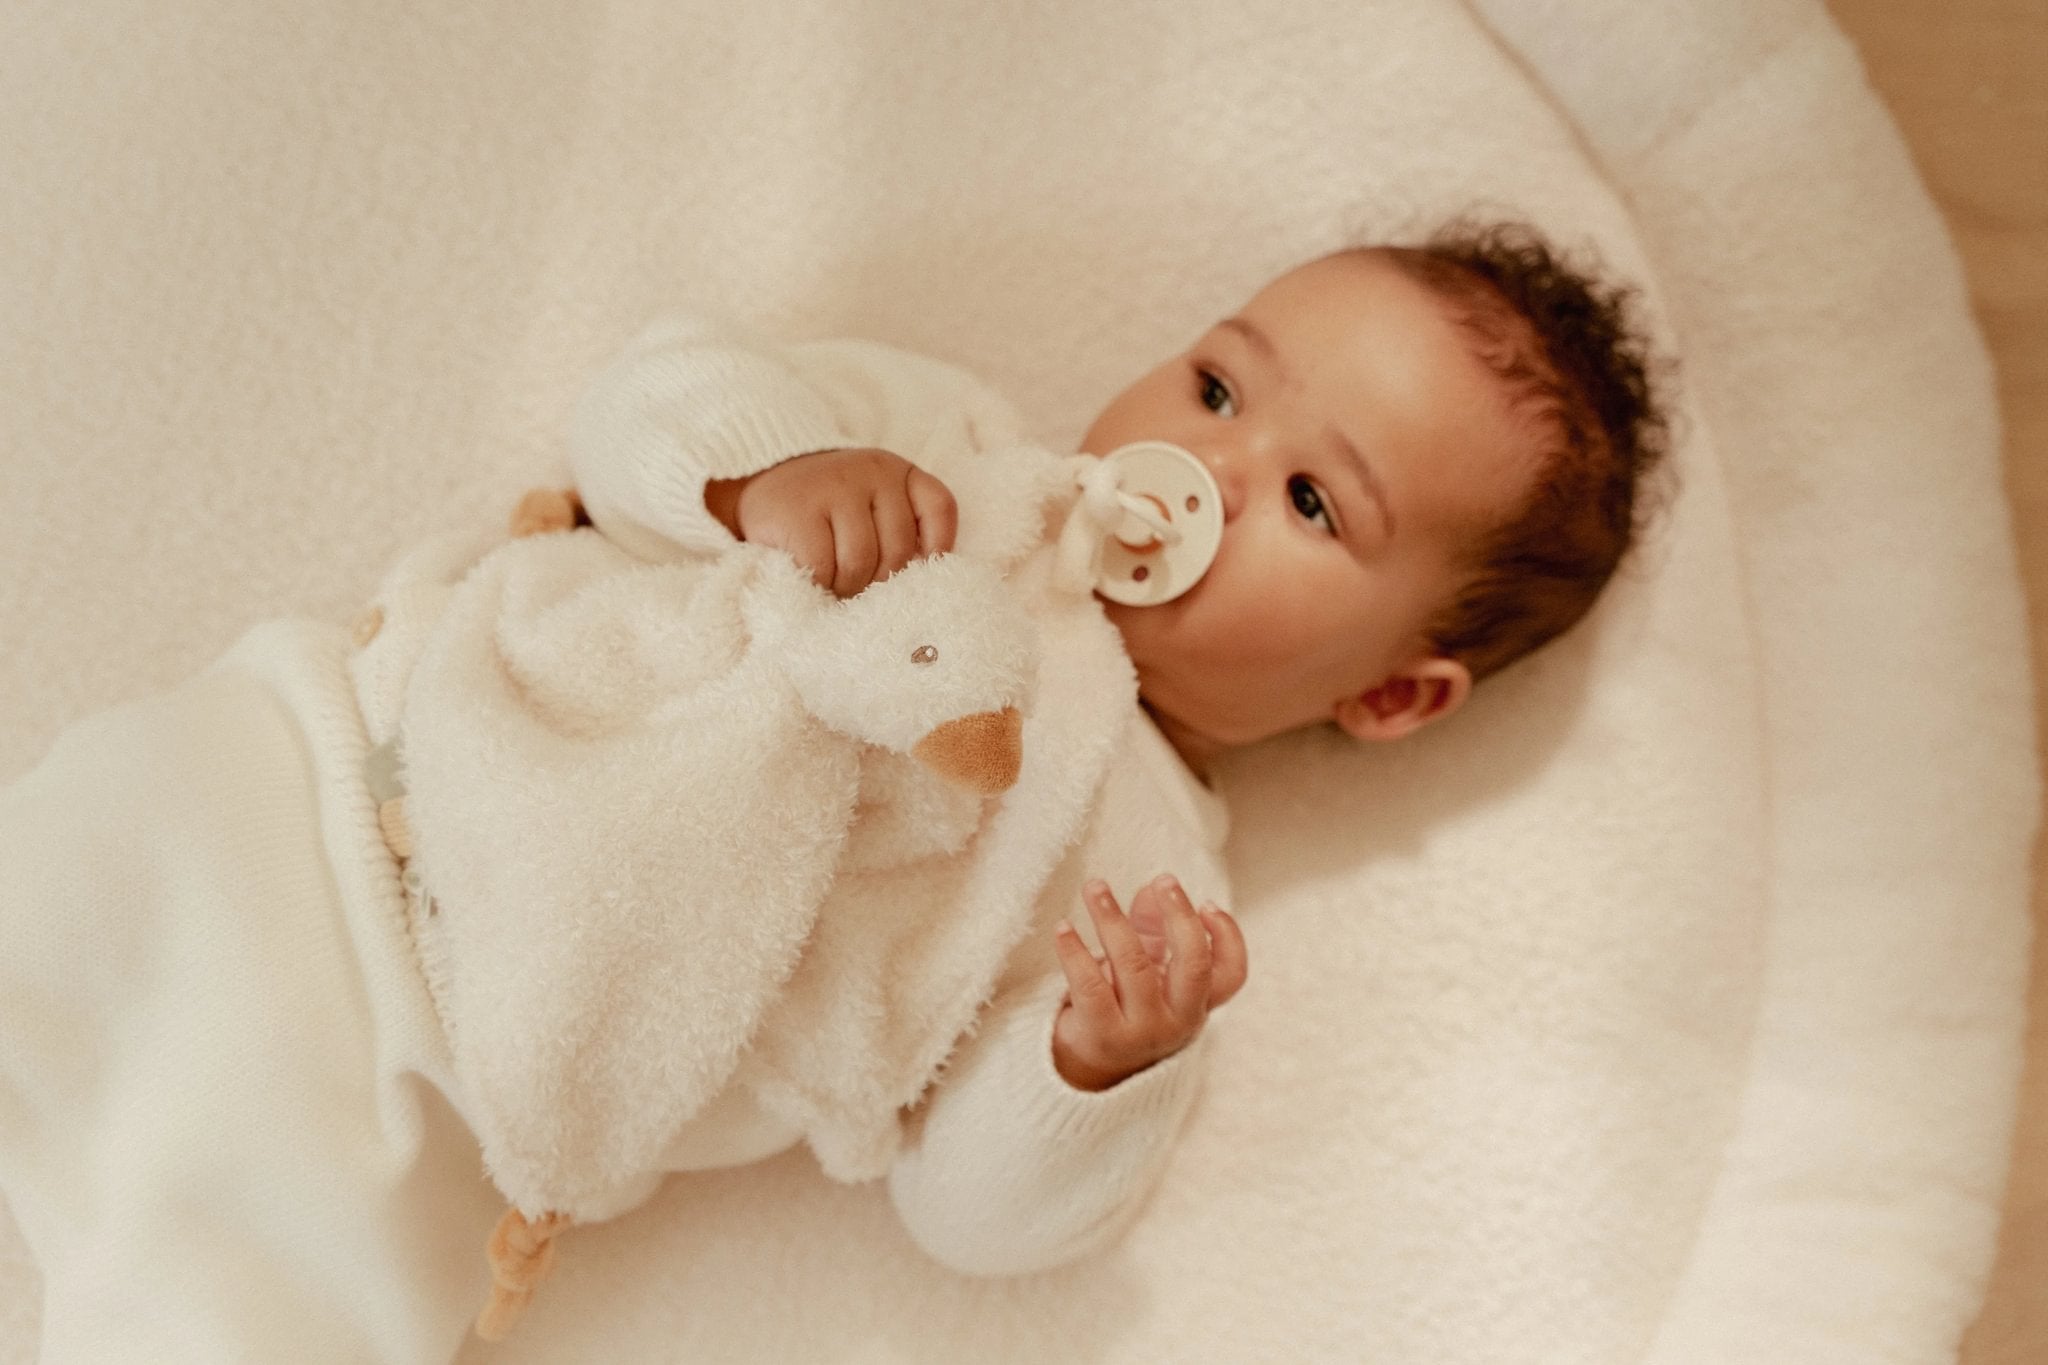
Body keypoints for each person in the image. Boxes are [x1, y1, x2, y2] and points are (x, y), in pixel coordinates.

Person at [0, 219, 1667, 1362]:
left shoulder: (1144, 898)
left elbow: (974, 1215)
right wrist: (762, 469)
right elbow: (641, 404)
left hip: (431, 1122)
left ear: (1389, 693)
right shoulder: (929, 441)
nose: (1209, 473)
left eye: (1310, 499)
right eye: (1219, 387)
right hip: (303, 793)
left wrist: (1090, 1068)